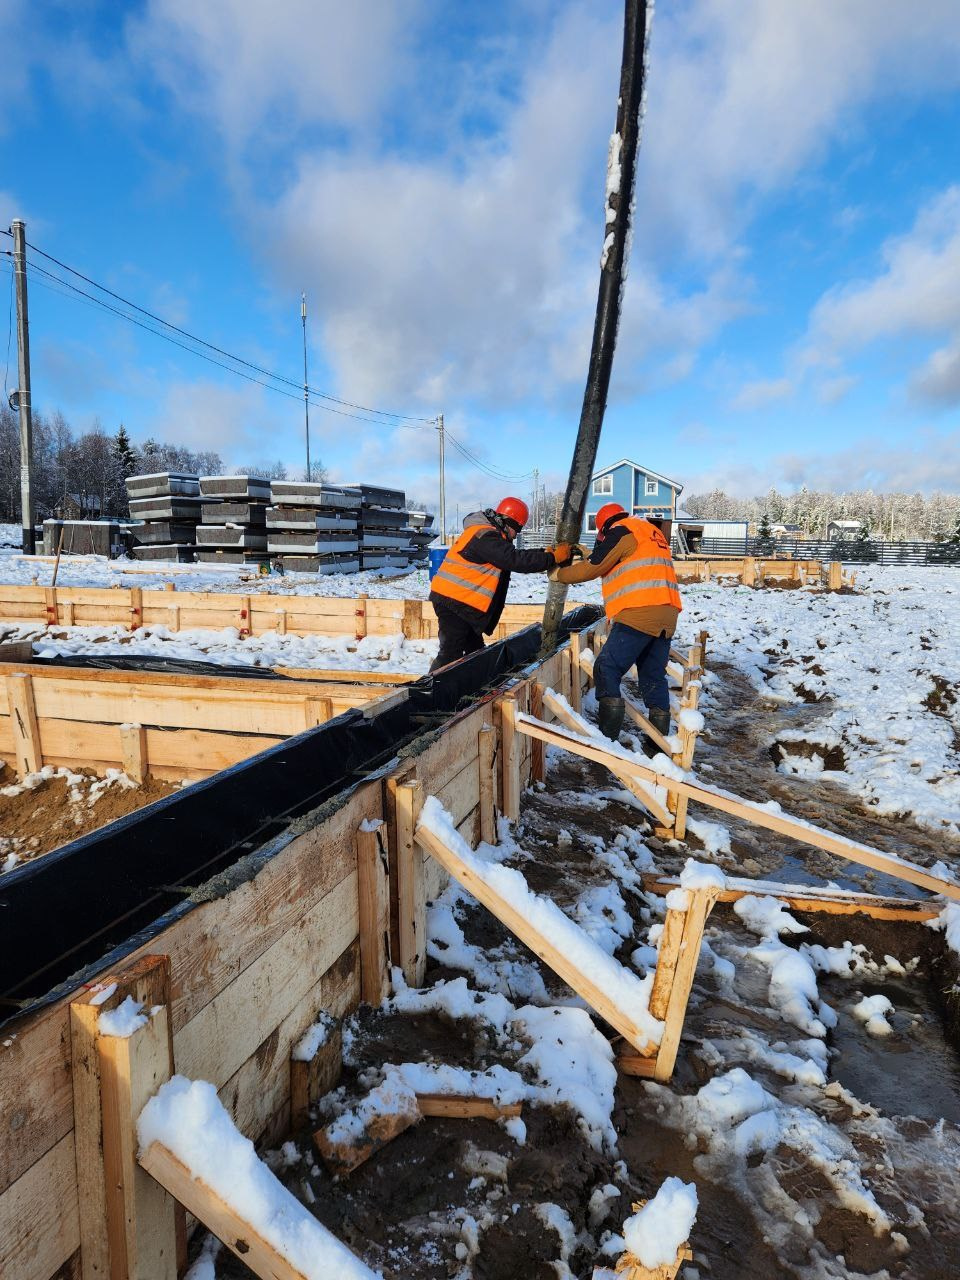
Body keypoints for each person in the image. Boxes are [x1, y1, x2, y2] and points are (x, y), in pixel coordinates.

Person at [550, 502, 681, 750]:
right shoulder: (646, 531)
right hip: (667, 614)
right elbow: (619, 561)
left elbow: (595, 567)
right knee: (653, 676)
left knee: (607, 667)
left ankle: (607, 742)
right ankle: (657, 747)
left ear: (605, 527)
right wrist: (592, 552)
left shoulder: (621, 531)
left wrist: (559, 574)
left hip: (638, 612)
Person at [429, 497, 573, 670]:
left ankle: (474, 687)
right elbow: (514, 560)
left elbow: (511, 554)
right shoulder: (485, 536)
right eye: (517, 529)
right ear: (508, 522)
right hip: (453, 603)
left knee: (475, 652)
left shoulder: (488, 535)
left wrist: (543, 553)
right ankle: (428, 693)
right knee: (450, 653)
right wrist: (552, 558)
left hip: (461, 602)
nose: (516, 534)